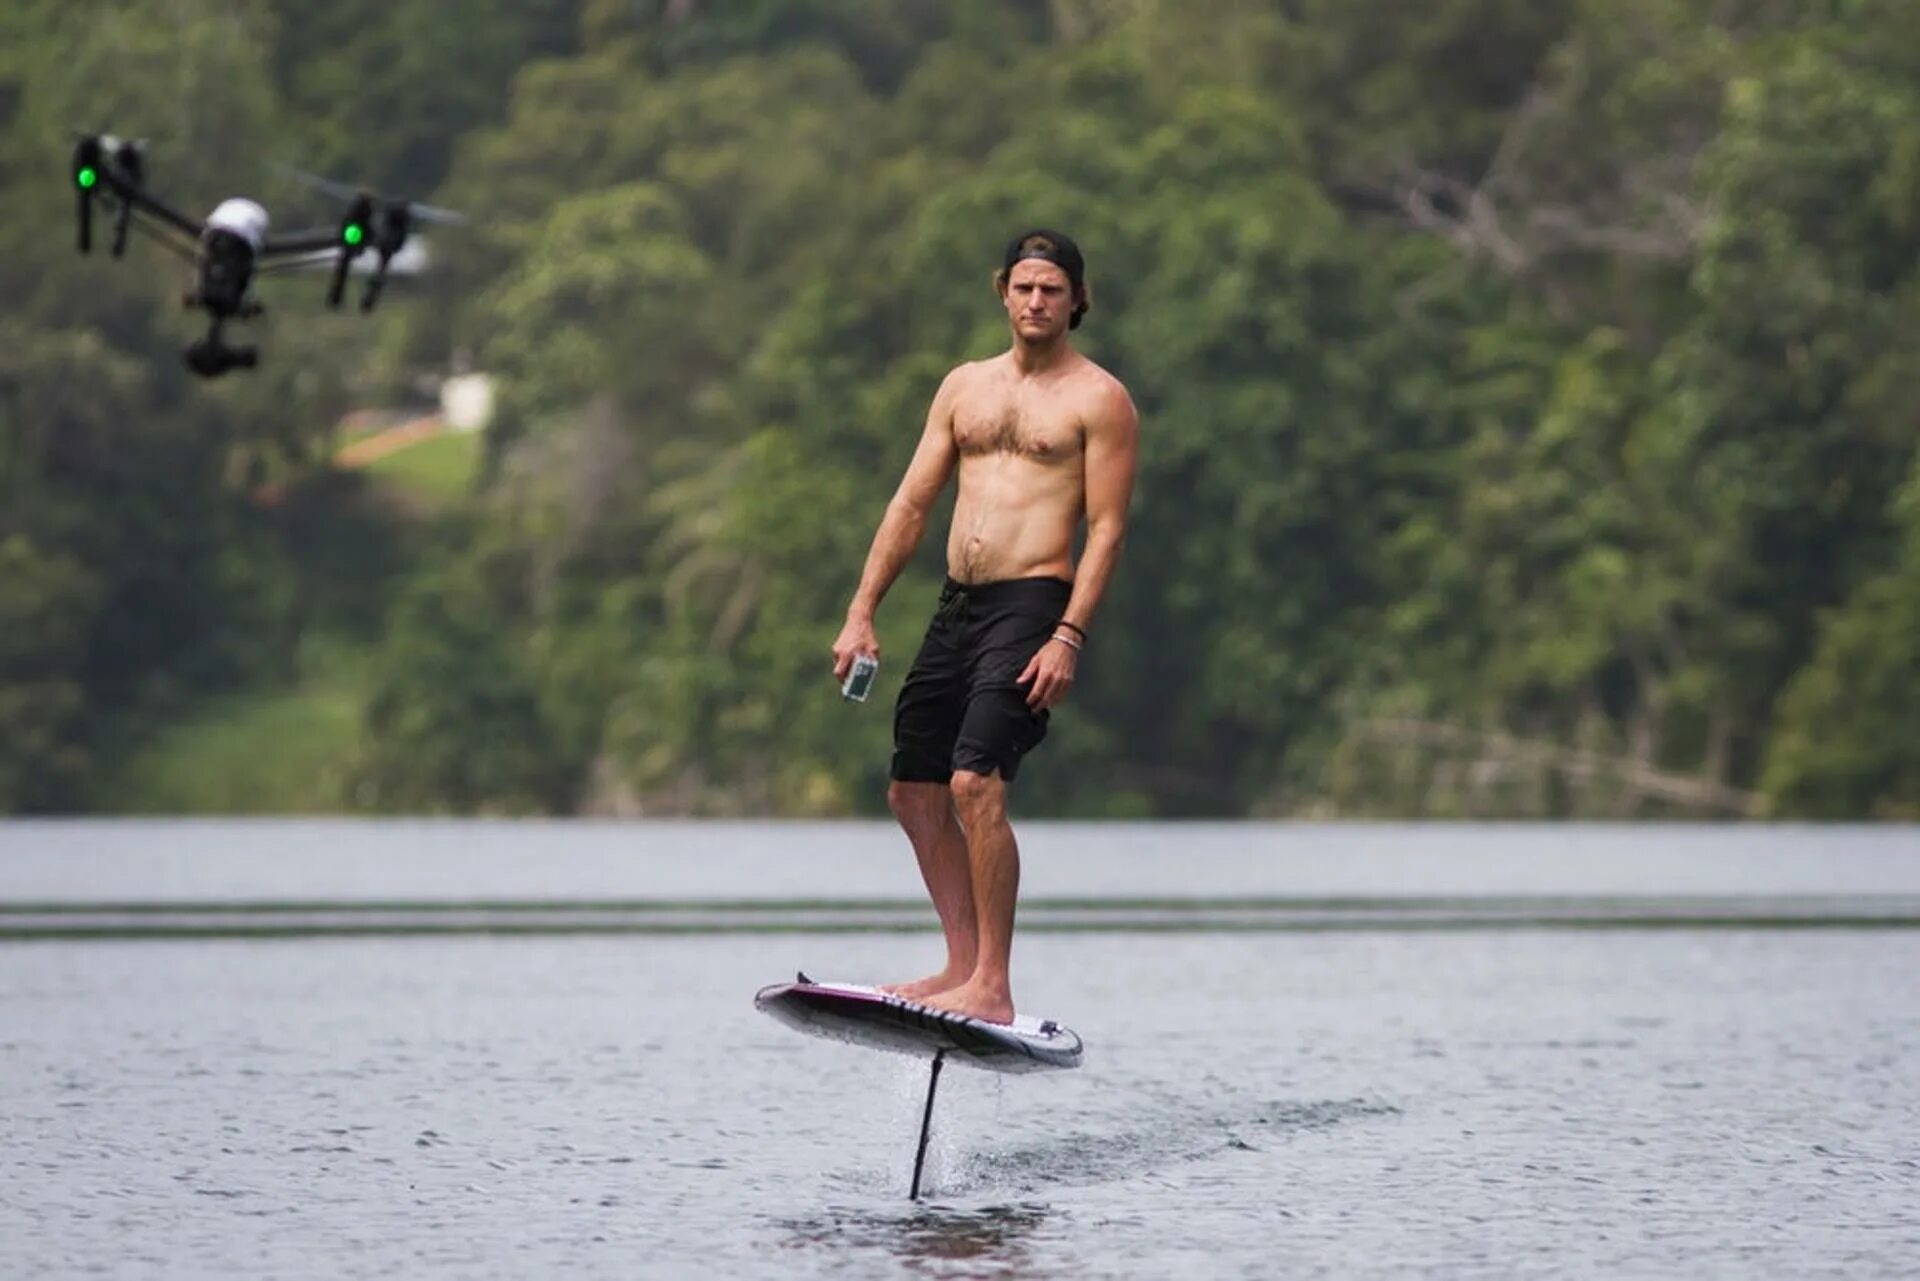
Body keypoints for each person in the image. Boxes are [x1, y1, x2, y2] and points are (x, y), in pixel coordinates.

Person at [829, 229, 1139, 1024]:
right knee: (912, 789)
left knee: (976, 781)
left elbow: (1105, 529)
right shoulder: (963, 387)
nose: (1038, 302)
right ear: (1003, 291)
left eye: (1054, 290)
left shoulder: (1098, 399)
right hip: (956, 605)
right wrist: (863, 609)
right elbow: (910, 503)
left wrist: (1069, 635)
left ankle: (993, 984)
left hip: (1033, 605)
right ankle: (961, 963)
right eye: (1025, 287)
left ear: (1078, 302)